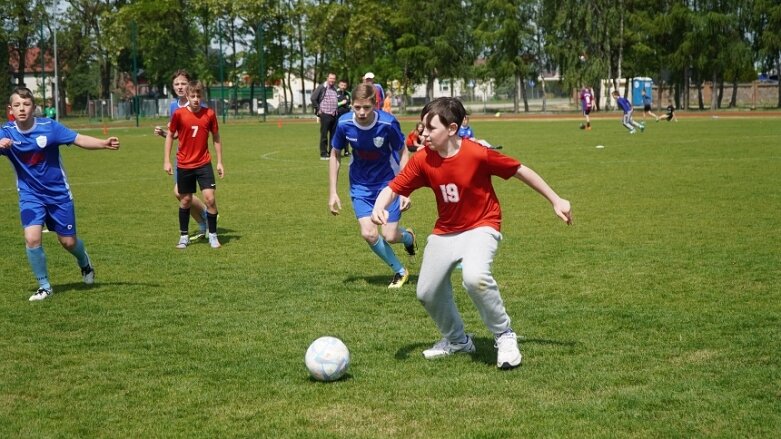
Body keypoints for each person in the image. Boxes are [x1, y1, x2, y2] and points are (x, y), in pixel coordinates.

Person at [370, 97, 572, 370]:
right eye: (422, 128)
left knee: (474, 277)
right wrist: (379, 207)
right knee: (426, 293)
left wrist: (556, 200)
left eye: (431, 129)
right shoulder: (422, 160)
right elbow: (393, 187)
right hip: (445, 231)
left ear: (452, 129)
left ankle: (504, 335)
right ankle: (458, 341)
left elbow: (520, 170)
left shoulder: (477, 153)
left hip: (482, 225)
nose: (423, 134)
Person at [0, 86, 120, 301]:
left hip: (58, 195)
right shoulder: (6, 131)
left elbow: (78, 138)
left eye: (26, 104)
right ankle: (44, 286)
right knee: (32, 238)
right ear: (10, 109)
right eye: (17, 105)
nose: (22, 109)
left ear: (34, 107)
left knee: (68, 242)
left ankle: (84, 263)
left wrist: (103, 143)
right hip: (30, 195)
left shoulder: (49, 127)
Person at [328, 83, 417, 289]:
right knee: (368, 233)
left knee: (390, 236)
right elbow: (335, 154)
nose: (361, 112)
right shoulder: (344, 124)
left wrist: (405, 189)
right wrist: (333, 192)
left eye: (366, 107)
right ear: (351, 105)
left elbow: (403, 152)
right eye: (357, 107)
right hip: (360, 185)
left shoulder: (387, 124)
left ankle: (408, 237)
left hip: (389, 185)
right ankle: (400, 271)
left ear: (375, 104)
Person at [164, 80, 224, 249]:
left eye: (198, 96)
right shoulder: (179, 114)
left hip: (203, 163)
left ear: (202, 96)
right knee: (185, 200)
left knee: (210, 199)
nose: (196, 99)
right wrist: (167, 160)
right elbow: (170, 135)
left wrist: (219, 162)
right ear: (188, 97)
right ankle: (184, 236)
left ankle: (213, 235)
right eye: (193, 96)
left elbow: (216, 137)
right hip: (184, 164)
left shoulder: (209, 114)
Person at [154, 69, 209, 241]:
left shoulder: (199, 106)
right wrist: (164, 134)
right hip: (182, 158)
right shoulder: (173, 106)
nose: (180, 87)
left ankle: (207, 216)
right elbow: (176, 134)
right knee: (181, 194)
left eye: (183, 83)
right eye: (176, 84)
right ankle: (203, 220)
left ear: (190, 85)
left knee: (181, 193)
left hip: (198, 159)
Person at [311, 73, 339, 160]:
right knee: (324, 135)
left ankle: (332, 153)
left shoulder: (335, 88)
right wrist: (318, 109)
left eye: (334, 79)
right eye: (331, 78)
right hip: (325, 114)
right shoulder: (322, 87)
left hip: (334, 114)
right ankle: (323, 154)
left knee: (334, 135)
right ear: (327, 78)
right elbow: (313, 98)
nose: (332, 80)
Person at [335, 79, 352, 157]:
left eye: (345, 85)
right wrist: (341, 103)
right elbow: (332, 104)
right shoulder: (335, 93)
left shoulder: (348, 93)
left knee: (347, 133)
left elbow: (350, 103)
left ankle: (346, 151)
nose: (343, 87)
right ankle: (336, 150)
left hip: (347, 116)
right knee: (338, 133)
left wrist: (350, 106)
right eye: (342, 85)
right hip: (338, 116)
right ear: (339, 85)